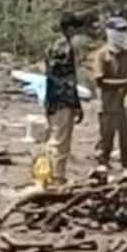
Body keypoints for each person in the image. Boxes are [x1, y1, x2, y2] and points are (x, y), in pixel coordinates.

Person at [89, 16, 127, 168]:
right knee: (106, 141)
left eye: (124, 30)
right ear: (110, 32)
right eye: (119, 30)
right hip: (108, 107)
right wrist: (125, 82)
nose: (122, 33)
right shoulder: (102, 55)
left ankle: (126, 171)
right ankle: (102, 171)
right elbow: (100, 81)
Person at [43, 13, 87, 184]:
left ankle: (48, 173)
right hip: (63, 100)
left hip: (51, 98)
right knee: (60, 140)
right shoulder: (66, 49)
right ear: (70, 29)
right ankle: (56, 177)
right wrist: (76, 105)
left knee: (53, 136)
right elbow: (68, 80)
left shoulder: (51, 47)